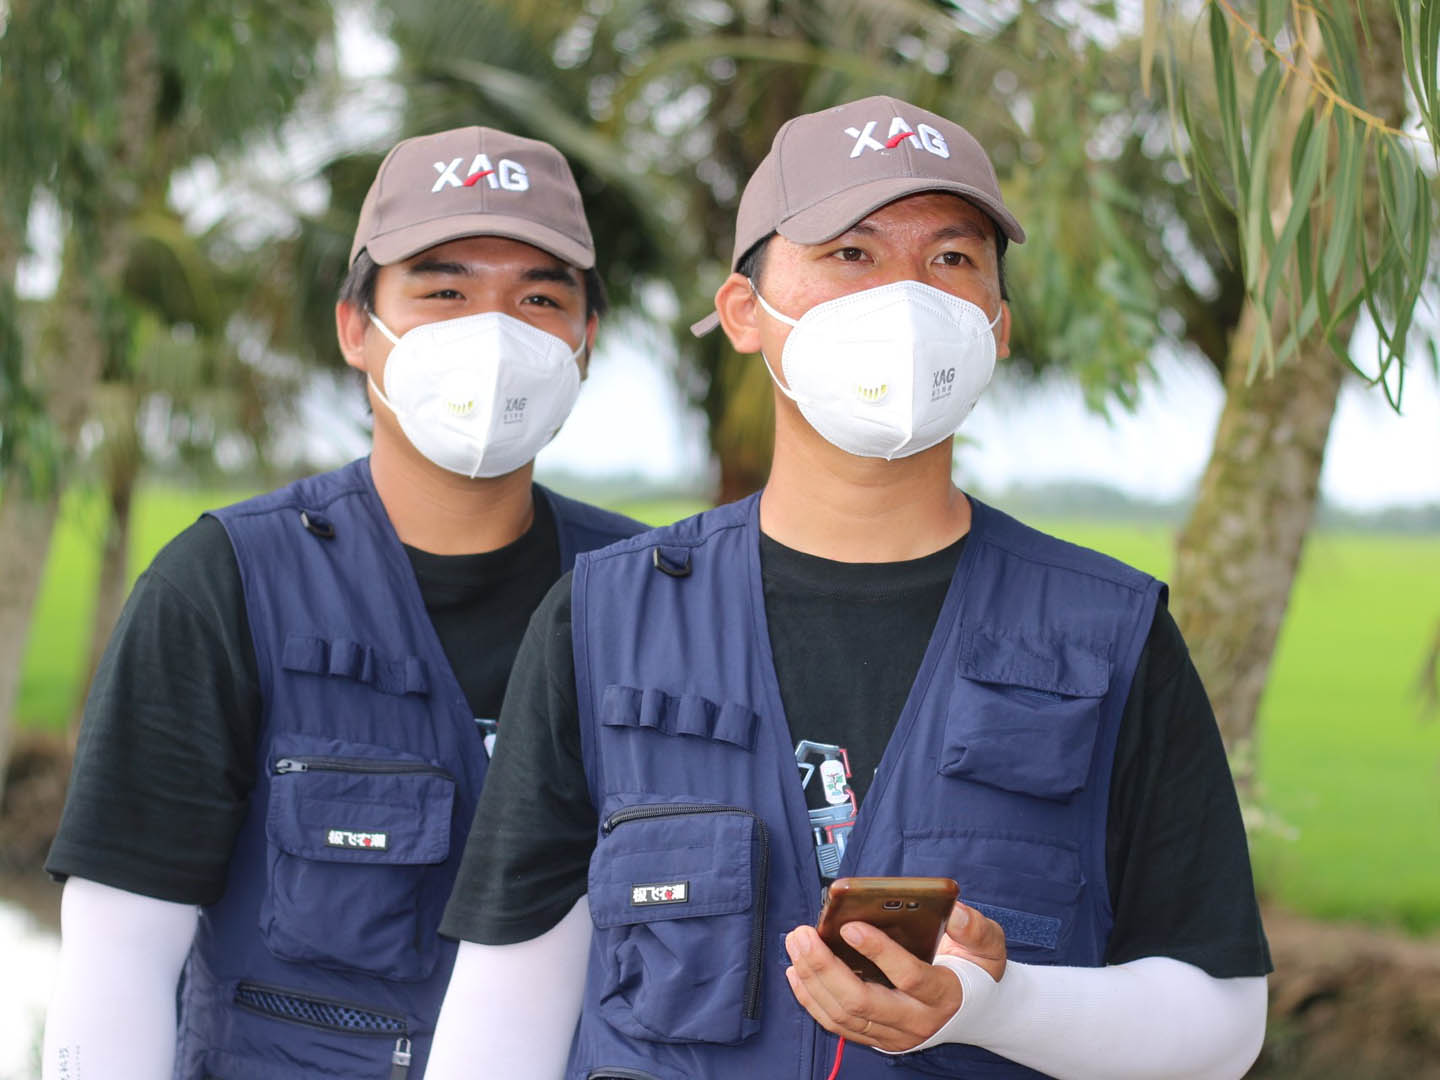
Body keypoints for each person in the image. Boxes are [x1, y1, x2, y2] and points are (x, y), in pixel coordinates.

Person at [427, 96, 1272, 1079]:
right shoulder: (603, 621)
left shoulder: (1107, 634)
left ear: (995, 325)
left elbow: (1223, 1019)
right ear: (746, 313)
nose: (906, 299)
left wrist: (999, 1006)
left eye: (952, 260)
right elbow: (504, 1015)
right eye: (851, 255)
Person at [41, 125, 645, 1080]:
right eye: (444, 291)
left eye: (538, 297)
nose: (491, 331)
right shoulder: (225, 584)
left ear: (583, 344)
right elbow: (119, 950)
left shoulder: (649, 594)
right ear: (357, 327)